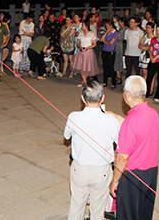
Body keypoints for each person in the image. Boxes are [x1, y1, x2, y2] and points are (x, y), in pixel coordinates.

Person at [64, 80, 120, 220]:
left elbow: (67, 136)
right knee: (98, 210)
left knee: (76, 206)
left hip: (79, 170)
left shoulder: (73, 116)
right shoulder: (111, 121)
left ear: (83, 98)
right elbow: (121, 143)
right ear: (102, 98)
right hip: (102, 172)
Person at [107, 76, 159, 220]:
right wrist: (116, 116)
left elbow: (122, 157)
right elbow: (139, 130)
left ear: (127, 95)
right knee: (144, 213)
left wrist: (115, 181)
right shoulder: (153, 113)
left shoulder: (131, 122)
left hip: (133, 177)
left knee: (128, 215)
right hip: (151, 174)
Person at [73, 21, 99, 87]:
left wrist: (87, 47)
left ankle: (83, 82)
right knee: (81, 67)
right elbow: (78, 43)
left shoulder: (91, 34)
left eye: (83, 25)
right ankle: (85, 82)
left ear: (87, 26)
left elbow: (94, 44)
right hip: (81, 52)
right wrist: (80, 47)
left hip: (89, 52)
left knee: (88, 68)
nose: (82, 27)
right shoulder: (80, 34)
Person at [100, 20, 119, 89]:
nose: (107, 27)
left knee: (111, 67)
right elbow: (101, 40)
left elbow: (111, 42)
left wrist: (105, 42)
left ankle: (113, 83)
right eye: (106, 26)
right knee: (105, 67)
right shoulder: (107, 32)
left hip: (111, 51)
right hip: (105, 51)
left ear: (111, 26)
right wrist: (106, 33)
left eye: (108, 26)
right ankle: (105, 81)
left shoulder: (115, 33)